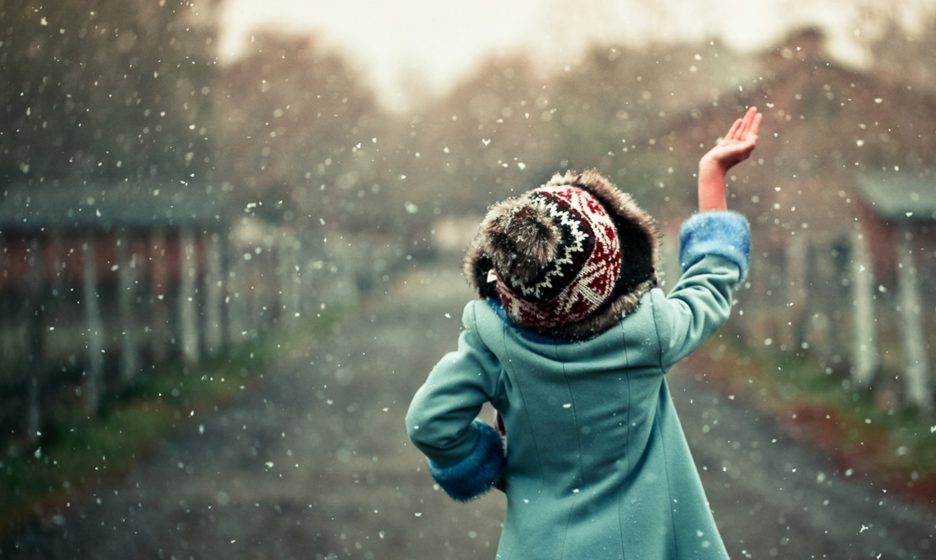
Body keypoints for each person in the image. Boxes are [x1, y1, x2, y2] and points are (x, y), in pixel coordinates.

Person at [405, 107, 762, 559]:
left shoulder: (494, 347)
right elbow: (710, 280)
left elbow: (429, 422)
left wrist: (489, 464)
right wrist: (711, 175)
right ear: (615, 268)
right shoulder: (650, 334)